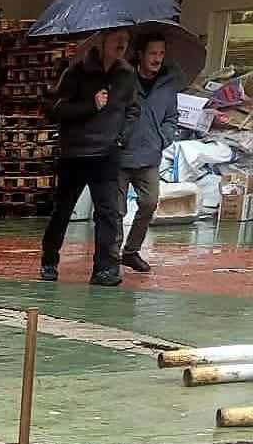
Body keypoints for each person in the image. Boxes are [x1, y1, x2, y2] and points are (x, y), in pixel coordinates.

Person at [39, 28, 137, 285]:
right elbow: (55, 110)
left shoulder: (127, 75)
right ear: (102, 41)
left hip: (107, 154)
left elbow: (133, 109)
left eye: (125, 40)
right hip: (76, 153)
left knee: (108, 213)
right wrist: (90, 105)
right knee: (62, 210)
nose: (122, 44)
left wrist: (121, 137)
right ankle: (49, 260)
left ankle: (104, 268)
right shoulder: (76, 72)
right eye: (117, 39)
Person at [117, 29, 180, 273]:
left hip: (150, 155)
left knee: (150, 202)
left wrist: (164, 137)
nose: (157, 58)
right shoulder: (123, 78)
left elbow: (172, 116)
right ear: (140, 54)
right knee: (115, 210)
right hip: (121, 154)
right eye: (153, 53)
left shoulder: (168, 83)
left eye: (161, 53)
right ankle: (111, 255)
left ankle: (131, 251)